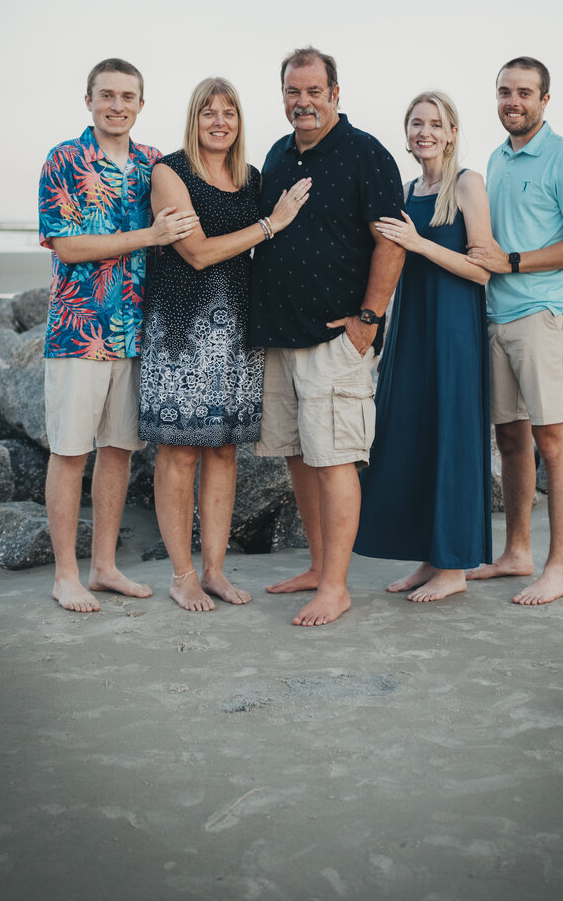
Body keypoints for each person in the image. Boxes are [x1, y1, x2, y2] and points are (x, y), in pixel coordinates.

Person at [139, 77, 311, 612]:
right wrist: (271, 224)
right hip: (183, 332)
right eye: (208, 112)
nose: (219, 121)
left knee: (221, 448)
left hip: (237, 331)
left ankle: (214, 569)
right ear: (194, 120)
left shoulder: (251, 177)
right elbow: (195, 253)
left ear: (239, 122)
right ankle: (182, 574)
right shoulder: (170, 172)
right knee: (179, 450)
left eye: (229, 113)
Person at [250, 46, 405, 627]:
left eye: (314, 91)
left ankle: (336, 587)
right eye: (293, 91)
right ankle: (318, 566)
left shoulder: (366, 153)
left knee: (336, 460)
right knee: (299, 455)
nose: (303, 102)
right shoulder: (278, 154)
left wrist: (367, 321)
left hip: (335, 340)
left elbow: (390, 241)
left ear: (335, 94)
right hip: (280, 336)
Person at [39, 57, 199, 613]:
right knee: (69, 453)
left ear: (140, 105)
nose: (116, 105)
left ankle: (105, 567)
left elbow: (190, 226)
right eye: (106, 95)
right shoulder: (65, 160)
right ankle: (66, 575)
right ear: (89, 100)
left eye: (127, 97)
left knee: (118, 452)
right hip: (79, 335)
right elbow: (68, 246)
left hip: (137, 335)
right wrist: (148, 236)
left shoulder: (153, 164)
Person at [466, 56, 563, 605]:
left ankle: (559, 568)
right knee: (511, 439)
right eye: (504, 91)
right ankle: (516, 553)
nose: (512, 101)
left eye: (524, 92)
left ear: (545, 100)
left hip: (544, 315)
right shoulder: (496, 160)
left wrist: (514, 262)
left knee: (553, 438)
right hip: (497, 317)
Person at [354, 91, 493, 600]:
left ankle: (454, 567)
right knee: (409, 432)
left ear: (452, 131)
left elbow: (481, 271)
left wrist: (419, 243)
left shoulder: (468, 184)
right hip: (410, 324)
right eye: (416, 123)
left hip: (455, 327)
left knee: (453, 434)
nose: (425, 131)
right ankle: (427, 557)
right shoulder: (406, 188)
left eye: (435, 123)